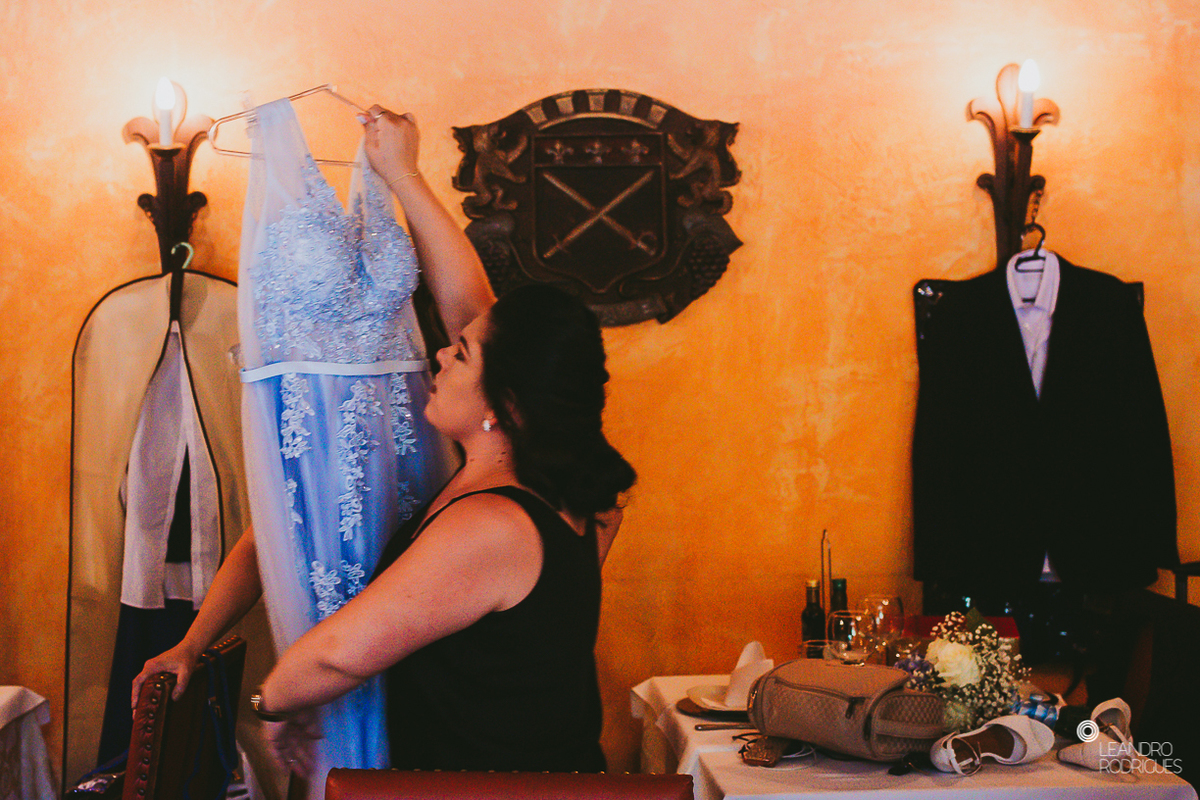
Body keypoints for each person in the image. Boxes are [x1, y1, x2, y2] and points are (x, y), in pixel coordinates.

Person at [131, 104, 494, 790]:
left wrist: (405, 176)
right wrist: (191, 642)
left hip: (420, 616)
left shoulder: (471, 430)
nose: (454, 357)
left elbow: (473, 311)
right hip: (323, 601)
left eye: (465, 353)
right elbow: (279, 525)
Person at [252, 283, 635, 776]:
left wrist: (273, 701)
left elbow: (338, 657)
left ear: (506, 405)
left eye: (462, 353)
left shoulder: (493, 525)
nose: (440, 355)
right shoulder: (562, 497)